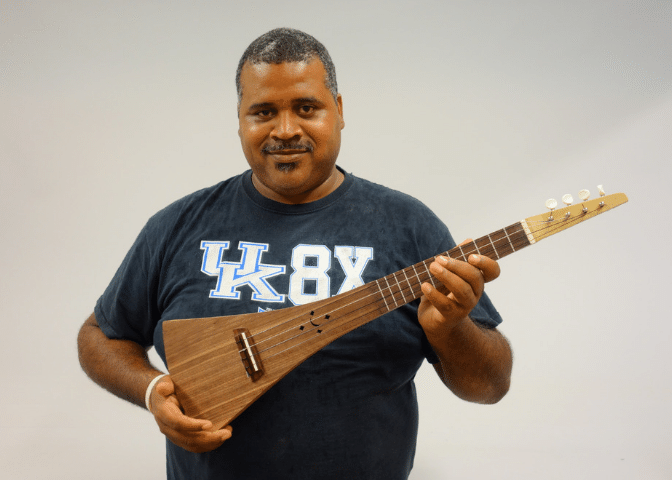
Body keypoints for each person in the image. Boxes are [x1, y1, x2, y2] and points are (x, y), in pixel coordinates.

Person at [77, 28, 512, 479]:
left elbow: (490, 386)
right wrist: (152, 391)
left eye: (306, 108)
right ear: (240, 120)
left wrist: (452, 330)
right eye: (263, 112)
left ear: (339, 112)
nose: (285, 131)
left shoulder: (408, 226)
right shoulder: (177, 226)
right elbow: (101, 335)